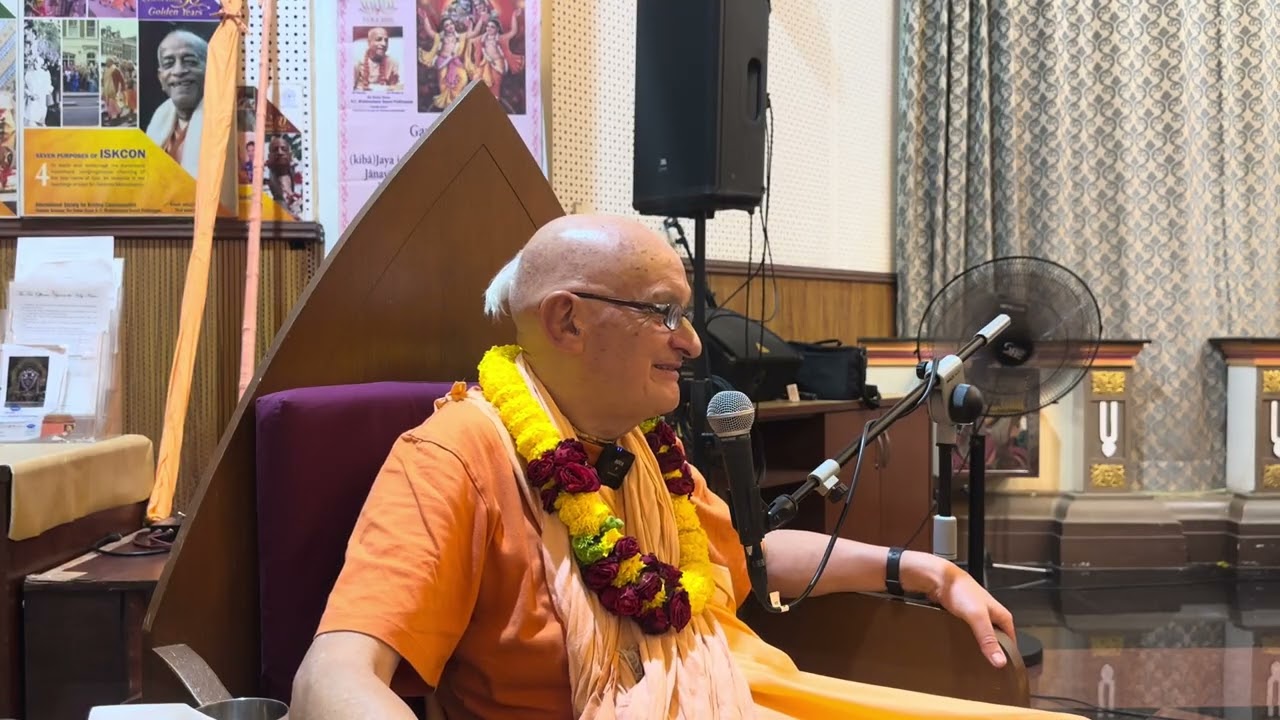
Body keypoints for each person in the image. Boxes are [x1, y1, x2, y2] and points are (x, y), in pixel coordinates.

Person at [291, 215, 1078, 719]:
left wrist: (924, 571)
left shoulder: (640, 445)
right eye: (664, 312)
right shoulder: (455, 454)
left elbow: (746, 561)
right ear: (566, 319)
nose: (693, 342)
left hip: (740, 694)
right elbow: (333, 676)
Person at [144, 29, 207, 177]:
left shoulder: (233, 122)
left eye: (190, 61)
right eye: (169, 63)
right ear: (161, 78)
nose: (178, 71)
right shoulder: (158, 123)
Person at [353, 26, 402, 91]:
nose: (384, 44)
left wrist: (380, 89)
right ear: (369, 42)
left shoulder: (392, 62)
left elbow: (398, 88)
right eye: (379, 39)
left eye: (386, 40)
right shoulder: (357, 62)